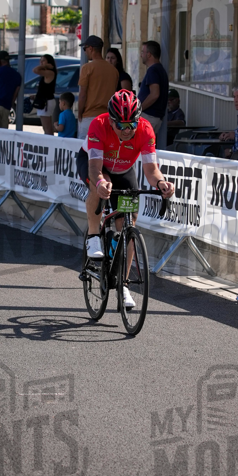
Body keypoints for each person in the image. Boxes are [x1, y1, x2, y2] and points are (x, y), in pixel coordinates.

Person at [76, 90, 175, 309]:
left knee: (128, 225)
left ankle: (123, 285)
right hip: (95, 164)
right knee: (97, 187)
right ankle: (93, 236)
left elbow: (151, 170)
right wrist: (101, 182)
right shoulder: (98, 125)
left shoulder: (146, 130)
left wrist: (161, 184)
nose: (127, 130)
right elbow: (94, 168)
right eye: (121, 125)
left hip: (124, 170)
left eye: (132, 124)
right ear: (111, 120)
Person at [77, 35, 119, 138]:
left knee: (85, 152)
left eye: (85, 49)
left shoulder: (87, 68)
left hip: (89, 117)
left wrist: (79, 114)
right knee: (103, 152)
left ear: (90, 48)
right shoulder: (114, 71)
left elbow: (82, 94)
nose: (85, 52)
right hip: (107, 118)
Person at [138, 40, 169, 135]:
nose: (141, 55)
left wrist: (139, 109)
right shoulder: (160, 70)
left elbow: (154, 94)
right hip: (153, 116)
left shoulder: (153, 70)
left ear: (149, 54)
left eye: (142, 52)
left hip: (148, 116)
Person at [31, 54, 57, 135]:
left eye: (43, 61)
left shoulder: (50, 72)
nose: (41, 63)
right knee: (45, 126)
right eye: (40, 61)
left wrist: (45, 66)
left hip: (46, 102)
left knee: (47, 127)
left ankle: (50, 143)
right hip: (44, 100)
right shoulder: (46, 73)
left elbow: (35, 70)